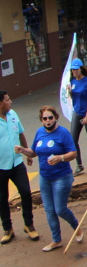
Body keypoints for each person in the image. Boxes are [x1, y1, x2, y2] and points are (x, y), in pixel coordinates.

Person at [15, 106, 83, 251]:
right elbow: (33, 152)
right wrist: (23, 150)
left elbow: (73, 153)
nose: (48, 121)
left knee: (60, 209)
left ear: (56, 118)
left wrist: (60, 158)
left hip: (61, 177)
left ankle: (76, 226)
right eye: (45, 118)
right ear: (41, 120)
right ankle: (56, 240)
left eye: (50, 118)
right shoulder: (40, 132)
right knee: (49, 209)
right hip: (45, 178)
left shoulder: (63, 133)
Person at [0, 90, 37, 245]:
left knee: (26, 192)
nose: (11, 102)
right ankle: (8, 229)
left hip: (17, 163)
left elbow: (21, 133)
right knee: (2, 199)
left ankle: (28, 225)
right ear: (0, 103)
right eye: (8, 100)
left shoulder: (13, 114)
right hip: (1, 167)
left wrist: (27, 152)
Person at [66, 58, 87, 176]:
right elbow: (75, 99)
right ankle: (79, 165)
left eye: (76, 70)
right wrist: (69, 92)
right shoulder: (72, 81)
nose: (75, 72)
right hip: (77, 112)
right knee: (73, 139)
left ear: (81, 69)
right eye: (73, 70)